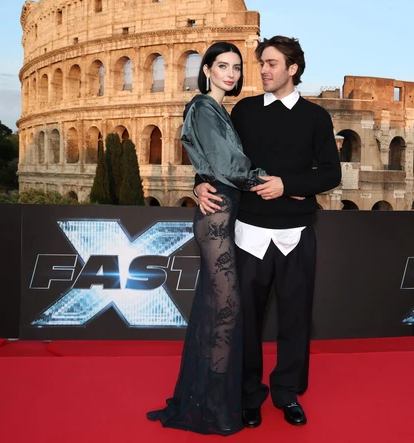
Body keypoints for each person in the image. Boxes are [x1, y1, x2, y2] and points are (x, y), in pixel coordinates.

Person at [194, 36, 342, 428]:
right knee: (246, 321)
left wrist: (286, 185)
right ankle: (248, 395)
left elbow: (331, 173)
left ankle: (287, 393)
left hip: (297, 235)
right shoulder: (243, 111)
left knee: (295, 319)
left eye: (272, 63)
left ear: (293, 69)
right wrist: (198, 183)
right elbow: (218, 157)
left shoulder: (316, 117)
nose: (263, 70)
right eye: (261, 63)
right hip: (249, 233)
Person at [146, 42, 266, 436]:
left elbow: (209, 162)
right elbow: (227, 164)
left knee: (216, 310)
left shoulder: (218, 110)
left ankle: (206, 398)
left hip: (223, 216)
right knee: (226, 309)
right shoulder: (202, 106)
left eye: (237, 67)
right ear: (208, 70)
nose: (231, 74)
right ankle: (211, 404)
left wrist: (200, 181)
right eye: (223, 66)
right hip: (215, 221)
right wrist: (267, 179)